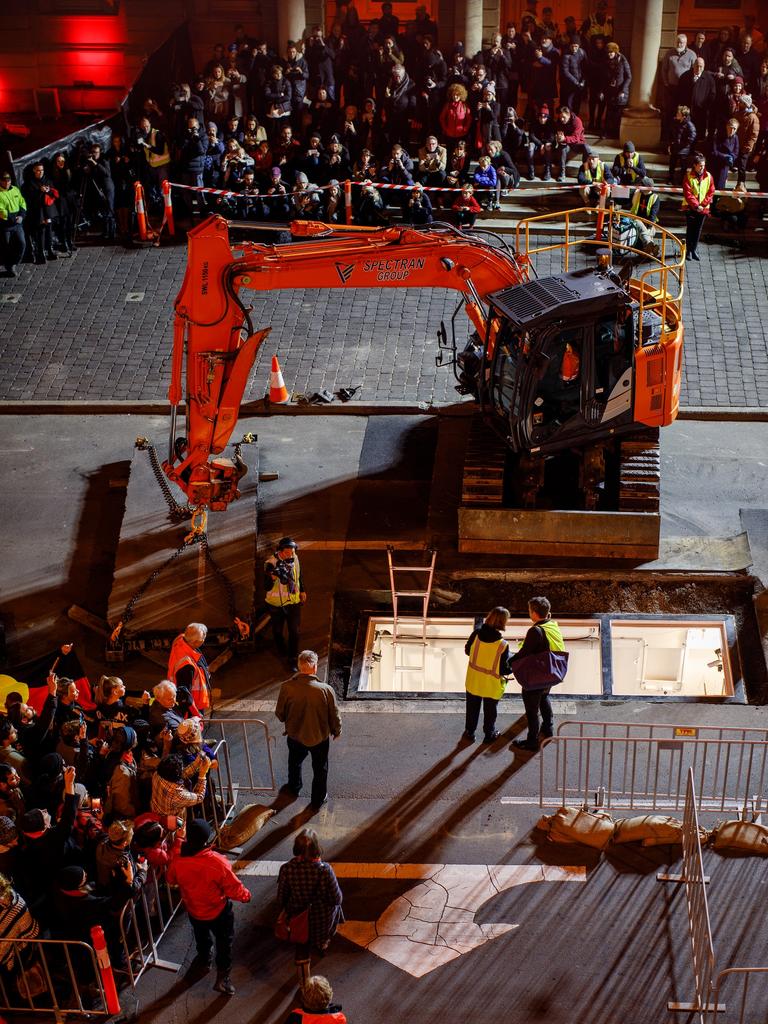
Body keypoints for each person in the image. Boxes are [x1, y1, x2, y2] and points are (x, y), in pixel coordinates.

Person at [167, 819, 251, 996]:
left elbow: (171, 879)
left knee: (201, 936)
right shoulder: (217, 862)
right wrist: (246, 896)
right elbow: (234, 888)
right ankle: (222, 977)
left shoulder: (178, 858)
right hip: (218, 911)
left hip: (194, 910)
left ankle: (204, 959)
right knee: (224, 943)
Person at [277, 829, 343, 987]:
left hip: (299, 917)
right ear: (316, 847)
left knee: (302, 946)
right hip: (322, 918)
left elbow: (281, 898)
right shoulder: (325, 870)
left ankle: (303, 982)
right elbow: (337, 898)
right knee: (334, 913)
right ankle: (322, 942)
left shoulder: (287, 869)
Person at [275, 651, 341, 810]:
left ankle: (294, 787)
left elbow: (280, 713)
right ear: (315, 667)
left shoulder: (287, 687)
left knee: (294, 762)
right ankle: (318, 799)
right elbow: (334, 714)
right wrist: (336, 730)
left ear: (299, 666)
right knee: (320, 768)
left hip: (295, 736)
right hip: (319, 737)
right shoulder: (325, 690)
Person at [509, 596, 565, 752]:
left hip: (538, 676)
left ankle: (532, 742)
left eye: (529, 610)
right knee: (544, 698)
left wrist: (509, 662)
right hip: (551, 672)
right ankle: (548, 728)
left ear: (533, 613)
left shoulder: (535, 630)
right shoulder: (552, 625)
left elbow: (524, 652)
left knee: (532, 711)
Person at [463, 607, 513, 744]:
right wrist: (512, 666)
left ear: (489, 617)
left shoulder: (476, 634)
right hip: (491, 685)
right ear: (503, 622)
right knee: (490, 711)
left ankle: (470, 732)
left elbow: (468, 651)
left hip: (474, 681)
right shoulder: (503, 645)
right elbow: (503, 669)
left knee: (472, 708)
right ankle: (489, 734)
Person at [265, 538, 306, 664]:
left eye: (292, 552)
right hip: (276, 605)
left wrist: (302, 590)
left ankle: (293, 658)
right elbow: (266, 587)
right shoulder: (270, 564)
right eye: (288, 553)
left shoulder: (294, 557)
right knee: (277, 631)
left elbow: (298, 575)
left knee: (294, 631)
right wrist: (272, 577)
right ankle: (281, 650)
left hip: (293, 603)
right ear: (281, 552)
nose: (291, 555)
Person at [168, 623, 211, 714]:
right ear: (196, 642)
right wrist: (195, 714)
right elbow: (185, 694)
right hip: (193, 706)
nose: (204, 640)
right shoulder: (187, 666)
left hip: (192, 702)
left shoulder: (180, 641)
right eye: (202, 639)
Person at [660, 34, 696, 143]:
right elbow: (664, 70)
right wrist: (666, 83)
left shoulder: (692, 55)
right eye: (677, 42)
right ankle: (666, 140)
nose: (679, 44)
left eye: (681, 42)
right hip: (671, 89)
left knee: (682, 115)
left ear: (686, 43)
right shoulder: (669, 53)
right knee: (669, 113)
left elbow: (694, 71)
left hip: (685, 90)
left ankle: (680, 139)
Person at [682, 152, 714, 261]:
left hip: (703, 209)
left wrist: (703, 205)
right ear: (695, 165)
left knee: (698, 230)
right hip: (691, 208)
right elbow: (688, 194)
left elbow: (711, 192)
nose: (702, 168)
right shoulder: (688, 176)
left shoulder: (708, 176)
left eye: (704, 165)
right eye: (700, 165)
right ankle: (687, 251)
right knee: (690, 230)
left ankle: (693, 250)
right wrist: (696, 205)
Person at [678, 56, 716, 142]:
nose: (698, 68)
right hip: (686, 111)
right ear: (693, 66)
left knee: (698, 133)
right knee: (685, 132)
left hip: (701, 112)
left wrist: (705, 106)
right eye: (697, 66)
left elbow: (712, 95)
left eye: (701, 66)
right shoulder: (685, 76)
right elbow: (679, 93)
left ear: (704, 67)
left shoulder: (709, 79)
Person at [0, 171, 26, 277]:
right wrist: (12, 218)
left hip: (17, 223)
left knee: (22, 244)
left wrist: (22, 214)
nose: (6, 183)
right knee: (6, 246)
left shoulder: (15, 189)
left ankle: (13, 264)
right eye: (4, 181)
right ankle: (8, 265)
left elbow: (22, 202)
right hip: (5, 225)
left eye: (8, 180)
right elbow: (1, 210)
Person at [604, 42, 631, 139]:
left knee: (617, 115)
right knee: (609, 113)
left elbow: (628, 77)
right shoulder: (606, 61)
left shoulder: (622, 60)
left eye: (611, 52)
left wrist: (623, 90)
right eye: (608, 52)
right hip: (610, 91)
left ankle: (616, 134)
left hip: (620, 92)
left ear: (615, 52)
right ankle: (606, 133)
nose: (609, 54)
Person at [668, 104, 697, 184]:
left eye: (679, 113)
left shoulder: (689, 125)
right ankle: (670, 179)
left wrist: (683, 145)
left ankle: (682, 181)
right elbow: (671, 134)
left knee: (683, 167)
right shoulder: (675, 122)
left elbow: (692, 136)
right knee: (672, 164)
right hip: (675, 147)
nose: (677, 114)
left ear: (683, 116)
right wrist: (671, 144)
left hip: (683, 150)